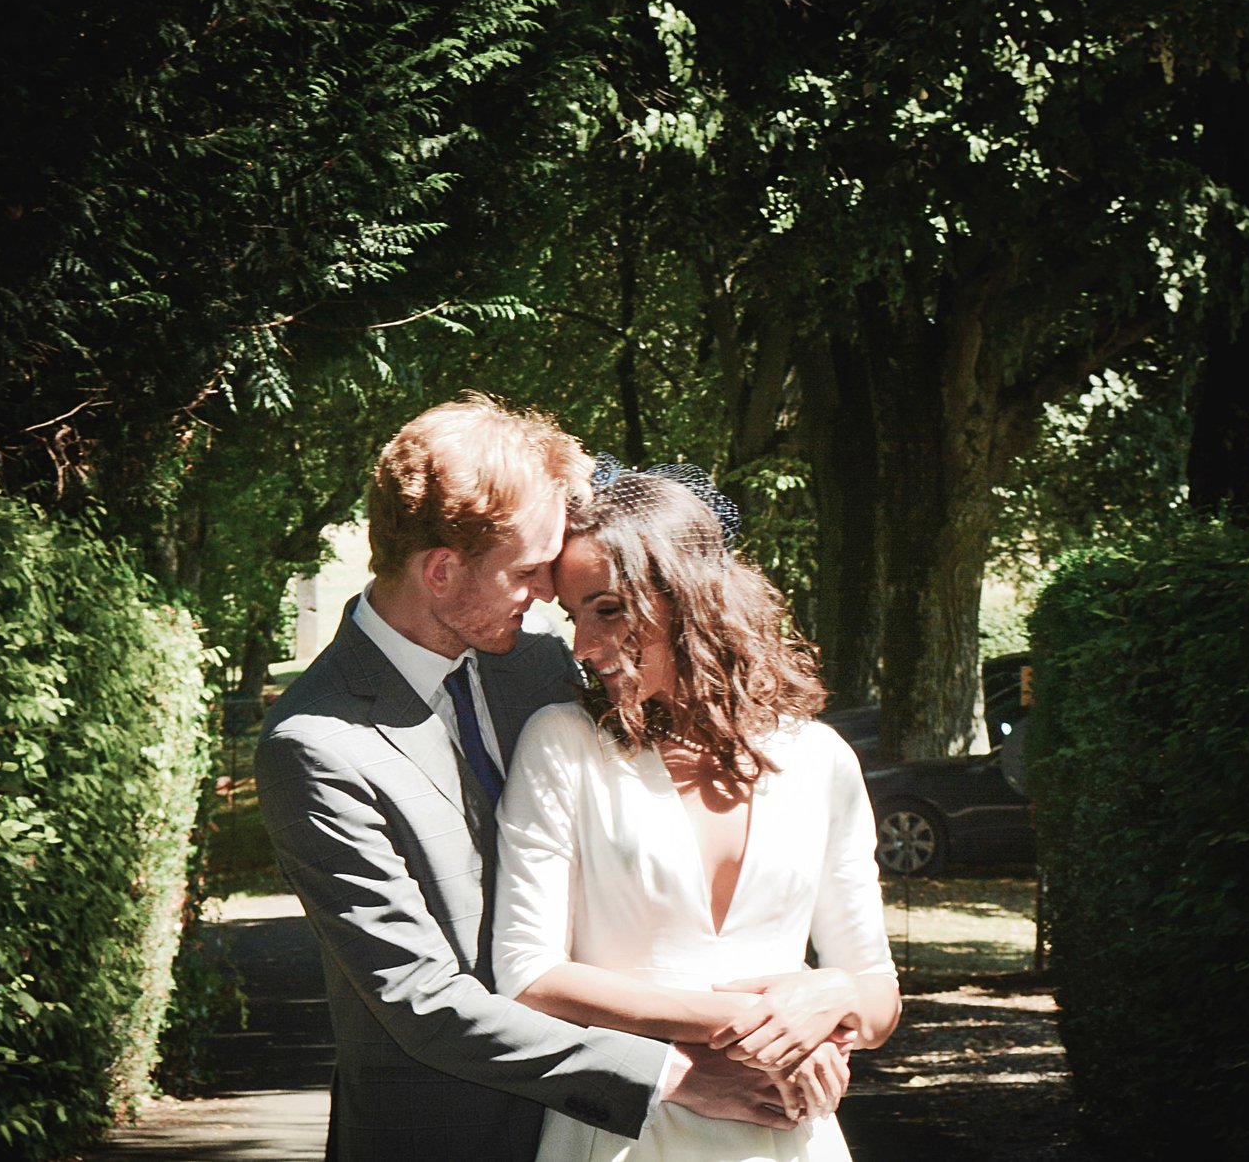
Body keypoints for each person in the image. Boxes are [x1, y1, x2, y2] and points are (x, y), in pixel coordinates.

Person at [256, 399, 834, 1162]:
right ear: (441, 570)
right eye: (529, 572)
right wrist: (678, 1075)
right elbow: (423, 1000)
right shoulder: (317, 743)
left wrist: (814, 999)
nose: (548, 601)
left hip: (591, 1138)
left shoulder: (536, 668)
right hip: (444, 1138)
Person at [494, 464, 900, 1162]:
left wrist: (829, 991)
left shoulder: (820, 759)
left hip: (789, 1135)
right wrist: (757, 1022)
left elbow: (877, 994)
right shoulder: (565, 743)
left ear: (688, 595)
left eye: (610, 608)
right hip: (627, 1133)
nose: (585, 647)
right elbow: (529, 976)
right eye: (574, 615)